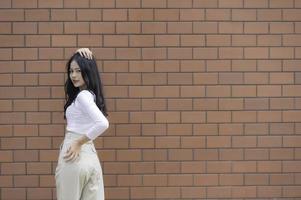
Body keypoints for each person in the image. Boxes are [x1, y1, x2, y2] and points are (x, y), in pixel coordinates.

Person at [55, 48, 109, 200]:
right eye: (71, 71)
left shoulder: (82, 97)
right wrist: (81, 52)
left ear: (87, 71)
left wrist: (78, 142)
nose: (73, 75)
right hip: (90, 157)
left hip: (73, 153)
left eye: (78, 71)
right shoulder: (90, 95)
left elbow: (103, 123)